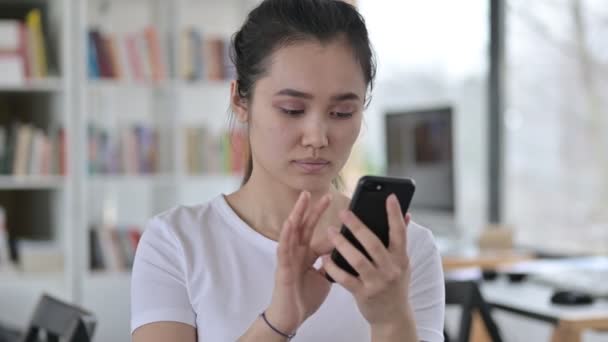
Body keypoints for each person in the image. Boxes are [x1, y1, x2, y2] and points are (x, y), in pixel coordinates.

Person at [131, 0, 445, 341]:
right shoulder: (176, 242)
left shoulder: (406, 252)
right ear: (240, 101)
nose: (317, 137)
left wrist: (390, 321)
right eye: (292, 109)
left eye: (342, 112)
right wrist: (278, 322)